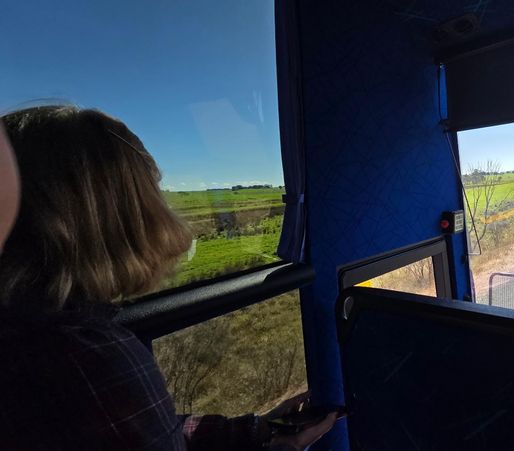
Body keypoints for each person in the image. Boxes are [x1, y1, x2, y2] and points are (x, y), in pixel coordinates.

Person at [0, 106, 337, 450]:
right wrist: (284, 448)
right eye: (152, 195)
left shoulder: (27, 333)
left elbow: (154, 429)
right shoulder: (89, 361)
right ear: (121, 218)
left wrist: (255, 429)